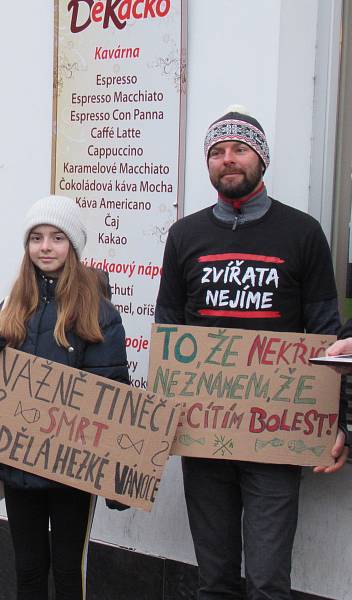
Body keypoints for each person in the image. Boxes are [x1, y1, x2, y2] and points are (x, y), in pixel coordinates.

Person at [155, 105, 349, 600]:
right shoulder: (184, 235)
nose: (228, 160)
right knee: (214, 580)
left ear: (260, 158)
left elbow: (327, 334)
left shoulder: (302, 233)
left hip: (276, 436)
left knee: (267, 582)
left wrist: (338, 420)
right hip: (203, 436)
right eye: (217, 152)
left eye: (239, 149)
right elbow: (169, 328)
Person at [0, 195, 130, 600]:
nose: (45, 247)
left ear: (72, 246)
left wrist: (119, 476)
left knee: (68, 571)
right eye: (36, 238)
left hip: (72, 470)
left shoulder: (100, 314)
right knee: (28, 570)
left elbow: (111, 393)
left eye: (57, 238)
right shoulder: (9, 308)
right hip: (17, 462)